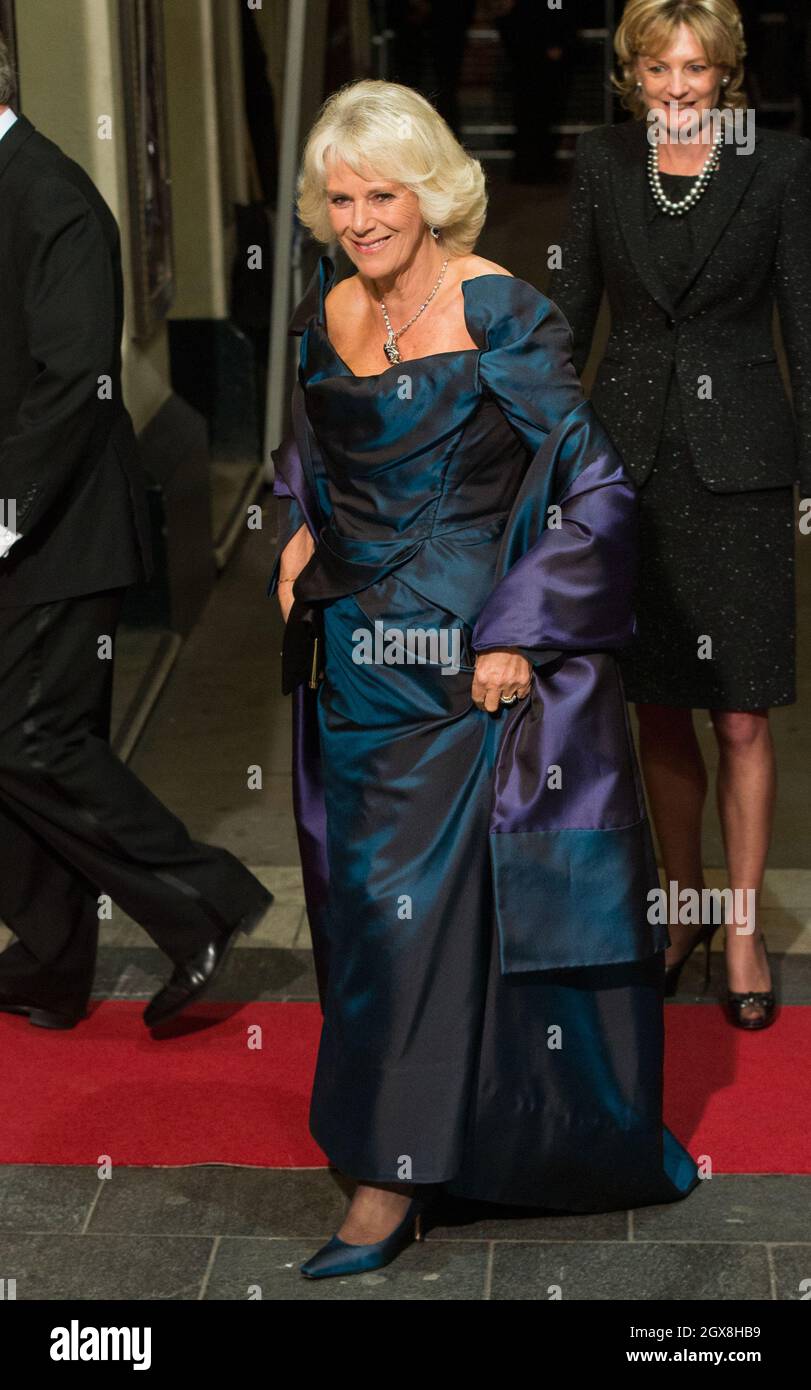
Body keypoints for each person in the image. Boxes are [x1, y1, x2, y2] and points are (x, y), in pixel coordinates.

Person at [269, 77, 700, 1281]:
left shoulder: (503, 314)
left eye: (384, 195)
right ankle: (457, 1135)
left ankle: (387, 1183)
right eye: (341, 198)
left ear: (434, 194)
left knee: (427, 926)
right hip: (356, 654)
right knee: (365, 915)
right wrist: (293, 532)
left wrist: (519, 626)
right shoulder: (333, 311)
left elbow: (596, 486)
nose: (360, 220)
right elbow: (309, 454)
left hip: (463, 663)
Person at [0, 37, 272, 1032]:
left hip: (60, 528)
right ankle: (54, 954)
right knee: (25, 741)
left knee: (30, 737)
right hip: (25, 528)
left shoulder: (52, 195)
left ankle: (202, 900)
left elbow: (72, 388)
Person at [549, 0, 811, 1030]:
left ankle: (740, 923)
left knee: (739, 709)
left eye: (693, 69)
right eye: (656, 68)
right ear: (632, 70)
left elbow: (807, 320)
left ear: (726, 73)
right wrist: (540, 455)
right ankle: (685, 906)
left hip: (741, 465)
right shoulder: (602, 162)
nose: (673, 88)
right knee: (655, 701)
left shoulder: (779, 166)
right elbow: (567, 312)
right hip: (628, 462)